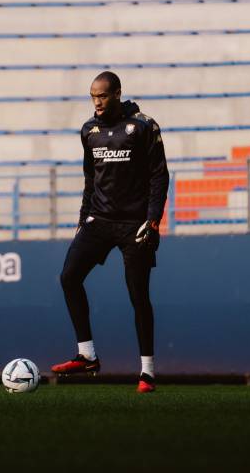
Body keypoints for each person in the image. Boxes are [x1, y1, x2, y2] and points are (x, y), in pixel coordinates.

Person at [50, 71, 169, 393]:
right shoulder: (89, 130)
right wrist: (82, 218)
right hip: (98, 220)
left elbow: (160, 176)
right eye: (92, 96)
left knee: (138, 295)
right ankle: (86, 354)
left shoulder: (144, 126)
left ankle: (147, 373)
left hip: (135, 225)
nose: (97, 102)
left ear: (117, 93)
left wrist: (153, 219)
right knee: (68, 277)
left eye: (102, 96)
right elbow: (91, 179)